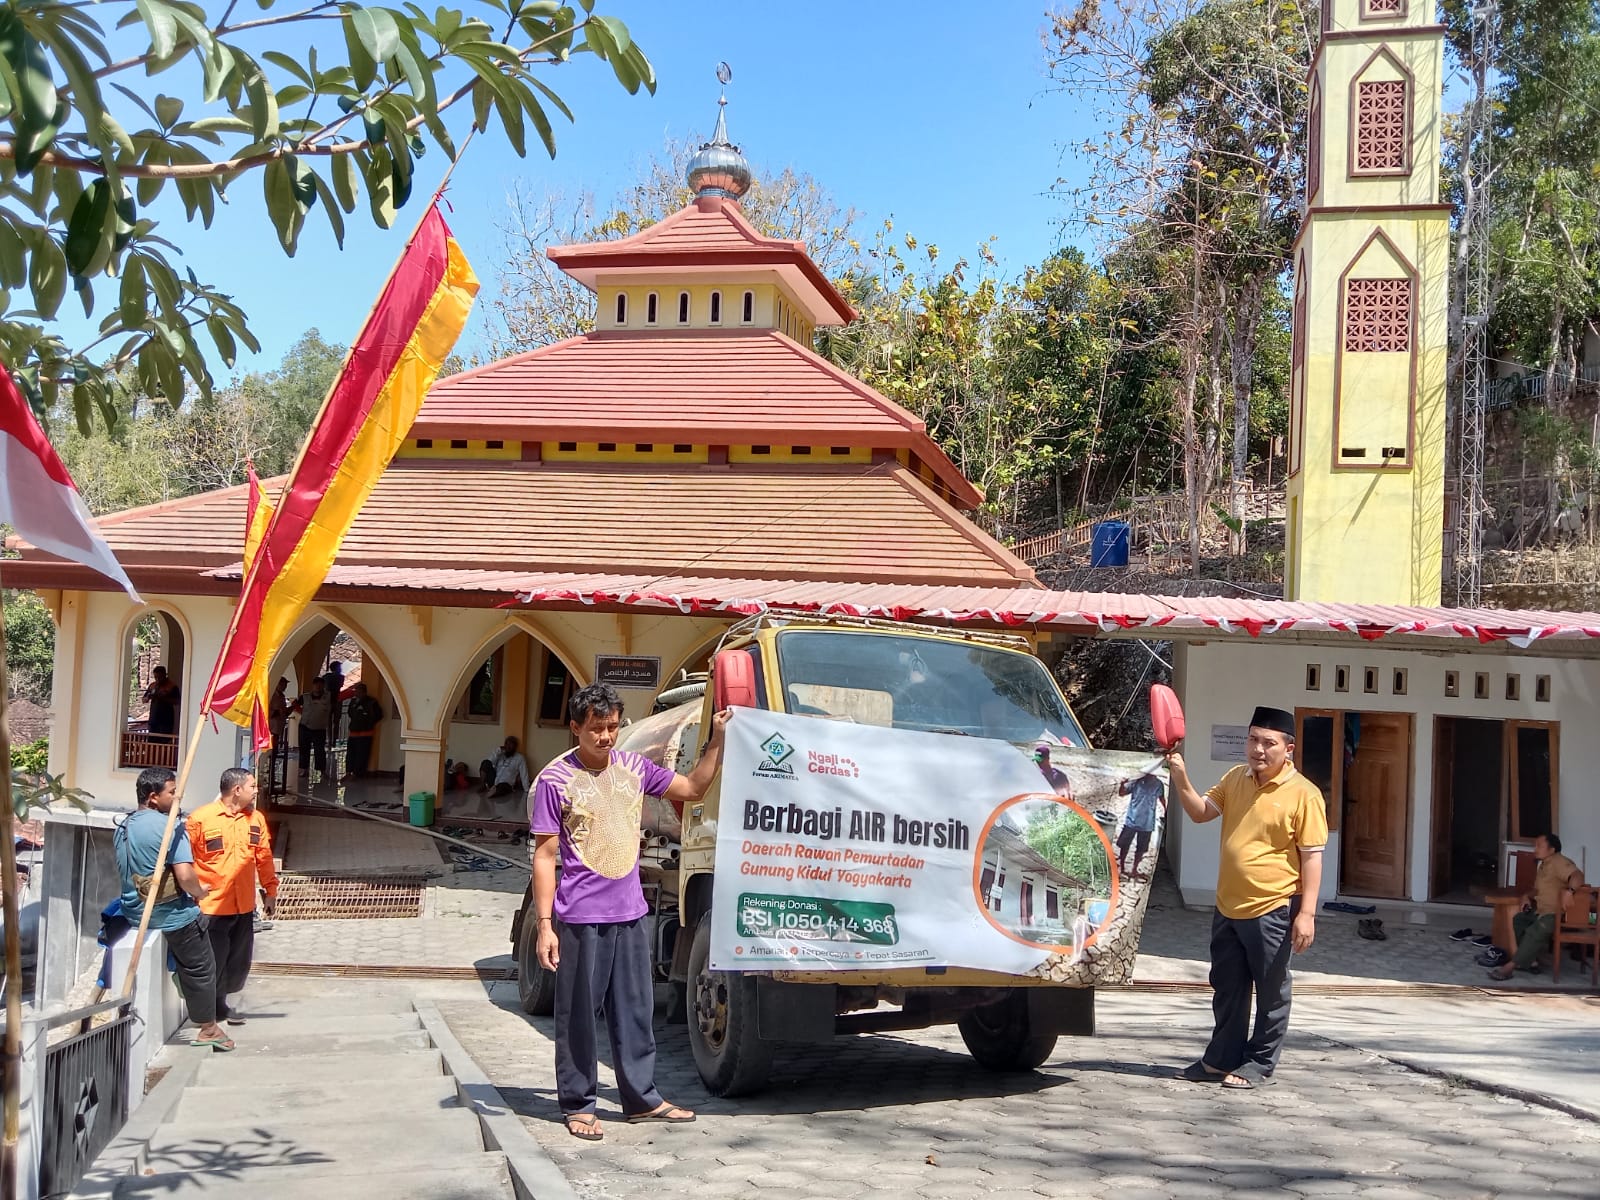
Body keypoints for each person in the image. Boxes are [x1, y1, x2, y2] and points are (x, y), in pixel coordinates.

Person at [531, 683, 732, 1141]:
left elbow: (693, 788)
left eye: (612, 727)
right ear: (576, 727)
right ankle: (578, 1104)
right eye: (596, 728)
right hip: (580, 916)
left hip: (630, 913)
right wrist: (545, 925)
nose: (606, 736)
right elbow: (544, 855)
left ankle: (641, 1099)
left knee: (635, 1012)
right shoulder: (555, 780)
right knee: (579, 1016)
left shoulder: (634, 768)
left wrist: (717, 740)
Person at [1166, 705, 1327, 1091]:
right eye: (1253, 739)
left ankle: (1259, 1063)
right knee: (1228, 987)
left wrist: (1306, 914)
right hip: (1227, 905)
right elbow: (1201, 813)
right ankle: (1220, 1059)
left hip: (1273, 908)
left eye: (1268, 743)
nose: (1258, 749)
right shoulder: (1235, 778)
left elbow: (1312, 857)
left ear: (1288, 748)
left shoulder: (1305, 794)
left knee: (1272, 991)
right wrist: (1181, 776)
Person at [114, 767, 234, 1051]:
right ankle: (208, 1028)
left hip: (133, 911)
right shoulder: (170, 827)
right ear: (153, 797)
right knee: (202, 966)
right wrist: (200, 892)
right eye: (172, 792)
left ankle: (183, 983)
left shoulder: (123, 826)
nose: (177, 796)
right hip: (169, 914)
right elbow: (185, 876)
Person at [187, 768, 278, 1025]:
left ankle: (222, 1005)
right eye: (252, 786)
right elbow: (185, 861)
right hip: (212, 907)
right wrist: (191, 893)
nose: (256, 790)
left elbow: (264, 858)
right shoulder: (201, 819)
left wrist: (270, 892)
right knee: (212, 962)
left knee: (237, 962)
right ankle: (210, 1012)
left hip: (243, 906)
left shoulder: (255, 820)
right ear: (237, 790)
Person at [1487, 833, 1584, 982]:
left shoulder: (1558, 861)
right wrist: (1527, 896)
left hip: (1555, 914)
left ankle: (1509, 967)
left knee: (1534, 931)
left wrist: (1570, 891)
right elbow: (1537, 890)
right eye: (1535, 845)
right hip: (1541, 910)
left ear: (1552, 849)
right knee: (1519, 920)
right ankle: (1531, 961)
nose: (1535, 849)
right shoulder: (1544, 865)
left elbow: (1578, 875)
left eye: (1539, 846)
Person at [1116, 771, 1167, 879]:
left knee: (1141, 848)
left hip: (1147, 823)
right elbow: (1121, 793)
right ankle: (1122, 868)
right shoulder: (1135, 782)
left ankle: (1134, 870)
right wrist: (1122, 784)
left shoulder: (1159, 784)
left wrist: (1165, 810)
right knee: (1124, 845)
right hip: (1132, 819)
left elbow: (1161, 798)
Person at [294, 678, 332, 782]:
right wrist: (303, 713)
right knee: (304, 749)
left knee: (320, 750)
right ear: (313, 685)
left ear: (323, 686)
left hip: (320, 728)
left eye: (320, 685)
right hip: (305, 726)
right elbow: (295, 705)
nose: (318, 687)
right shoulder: (304, 697)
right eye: (316, 685)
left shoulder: (329, 697)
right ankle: (304, 769)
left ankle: (322, 771)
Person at [342, 682, 383, 780]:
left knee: (362, 754)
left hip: (366, 733)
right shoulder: (353, 702)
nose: (357, 693)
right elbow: (350, 713)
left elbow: (379, 715)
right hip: (354, 732)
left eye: (359, 691)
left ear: (364, 692)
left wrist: (369, 722)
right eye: (356, 691)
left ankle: (358, 774)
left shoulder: (372, 702)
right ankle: (348, 772)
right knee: (350, 753)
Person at [143, 665, 181, 743]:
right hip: (153, 720)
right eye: (156, 677)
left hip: (166, 721)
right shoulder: (152, 686)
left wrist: (163, 698)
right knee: (151, 742)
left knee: (164, 742)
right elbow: (144, 699)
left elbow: (177, 701)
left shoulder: (172, 686)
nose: (157, 679)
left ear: (164, 675)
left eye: (159, 677)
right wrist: (149, 697)